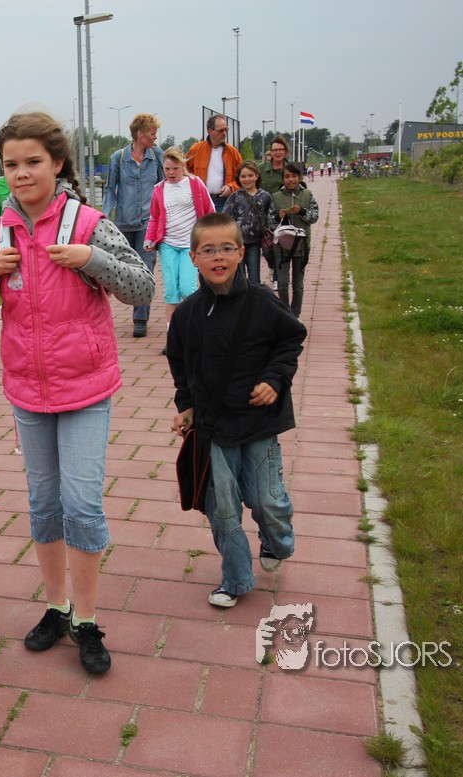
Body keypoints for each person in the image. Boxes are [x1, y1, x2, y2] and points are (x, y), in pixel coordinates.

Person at [0, 110, 154, 674]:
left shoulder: (89, 223)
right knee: (44, 506)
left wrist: (93, 260)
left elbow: (142, 286)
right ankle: (56, 608)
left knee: (81, 506)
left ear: (58, 163)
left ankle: (86, 620)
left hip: (86, 390)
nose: (21, 174)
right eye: (10, 164)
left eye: (33, 162)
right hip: (28, 393)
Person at [166, 212, 306, 608]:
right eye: (208, 250)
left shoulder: (262, 301)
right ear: (194, 258)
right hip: (213, 426)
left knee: (267, 502)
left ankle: (277, 540)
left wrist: (274, 379)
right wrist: (186, 405)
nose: (218, 257)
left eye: (227, 248)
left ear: (241, 253)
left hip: (259, 422)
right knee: (223, 509)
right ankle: (236, 578)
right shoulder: (187, 314)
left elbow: (291, 339)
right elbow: (179, 364)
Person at [142, 147, 214, 346]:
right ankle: (172, 337)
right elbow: (154, 217)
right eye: (167, 169)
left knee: (187, 288)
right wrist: (149, 238)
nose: (171, 173)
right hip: (168, 244)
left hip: (190, 245)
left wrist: (210, 237)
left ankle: (194, 331)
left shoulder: (195, 184)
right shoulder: (159, 189)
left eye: (175, 168)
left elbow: (209, 211)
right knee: (171, 290)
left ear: (183, 166)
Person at [102, 112, 163, 338]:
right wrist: (104, 216)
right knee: (116, 269)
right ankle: (100, 313)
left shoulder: (157, 156)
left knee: (145, 268)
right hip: (124, 222)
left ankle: (140, 318)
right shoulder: (118, 158)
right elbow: (110, 189)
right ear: (139, 134)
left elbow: (162, 186)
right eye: (152, 133)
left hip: (148, 222)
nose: (155, 137)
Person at [267, 162, 319, 316]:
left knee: (298, 285)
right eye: (287, 177)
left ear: (300, 177)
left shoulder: (307, 195)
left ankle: (295, 315)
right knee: (282, 283)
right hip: (281, 248)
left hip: (301, 247)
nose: (290, 180)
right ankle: (285, 313)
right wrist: (279, 217)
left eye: (294, 176)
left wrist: (302, 211)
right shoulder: (275, 197)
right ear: (283, 179)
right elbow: (270, 223)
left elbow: (314, 217)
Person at [220, 160, 273, 285]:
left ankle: (254, 296)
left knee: (254, 277)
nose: (247, 179)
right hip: (237, 243)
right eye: (243, 176)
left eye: (250, 175)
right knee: (239, 277)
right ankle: (240, 297)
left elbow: (271, 217)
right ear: (239, 178)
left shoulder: (265, 196)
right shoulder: (235, 197)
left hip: (255, 243)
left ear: (257, 176)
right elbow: (225, 218)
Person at [184, 114, 243, 213]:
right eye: (221, 131)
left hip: (224, 202)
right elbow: (185, 171)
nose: (224, 133)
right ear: (210, 131)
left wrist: (230, 187)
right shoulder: (196, 149)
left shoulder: (233, 153)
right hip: (200, 201)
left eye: (226, 130)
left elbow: (241, 177)